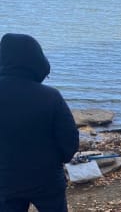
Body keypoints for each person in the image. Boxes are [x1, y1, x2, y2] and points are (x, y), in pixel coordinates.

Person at [0, 33, 79, 212]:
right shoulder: (51, 97)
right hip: (47, 180)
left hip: (4, 182)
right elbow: (69, 142)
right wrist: (54, 161)